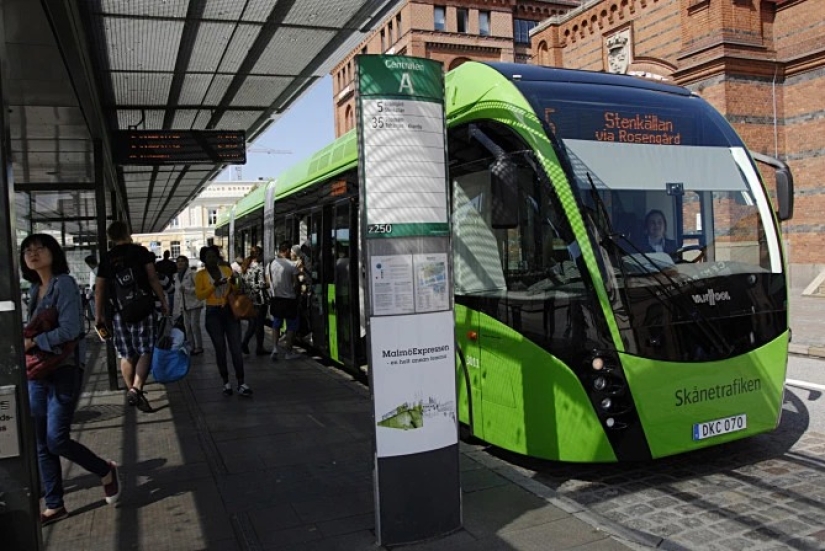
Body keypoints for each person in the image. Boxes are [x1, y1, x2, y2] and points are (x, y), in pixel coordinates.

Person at [20, 234, 120, 525]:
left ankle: (104, 469)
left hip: (64, 367)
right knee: (41, 441)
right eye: (28, 250)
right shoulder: (33, 288)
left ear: (53, 252)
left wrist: (34, 341)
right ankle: (54, 504)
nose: (33, 253)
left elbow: (72, 329)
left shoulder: (63, 283)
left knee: (56, 438)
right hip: (37, 370)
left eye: (40, 248)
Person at [95, 221, 169, 412]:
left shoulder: (107, 258)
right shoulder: (140, 252)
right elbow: (153, 278)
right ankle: (136, 388)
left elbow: (100, 288)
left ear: (110, 237)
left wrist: (98, 316)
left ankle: (132, 391)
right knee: (146, 349)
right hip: (143, 308)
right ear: (127, 233)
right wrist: (163, 301)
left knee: (126, 354)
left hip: (119, 313)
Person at [195, 245, 252, 397]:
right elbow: (200, 296)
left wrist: (233, 281)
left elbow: (235, 288)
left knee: (236, 348)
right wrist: (214, 285)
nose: (212, 259)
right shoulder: (200, 275)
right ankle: (226, 382)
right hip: (213, 313)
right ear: (204, 259)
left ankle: (241, 383)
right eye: (209, 257)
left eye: (214, 256)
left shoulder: (226, 270)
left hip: (229, 311)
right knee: (220, 349)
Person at [266, 242, 300, 361]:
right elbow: (296, 283)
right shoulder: (291, 265)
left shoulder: (270, 264)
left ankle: (275, 348)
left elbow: (268, 282)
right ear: (286, 251)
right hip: (289, 299)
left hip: (276, 299)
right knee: (291, 326)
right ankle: (288, 353)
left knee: (276, 324)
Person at [240, 245, 270, 356]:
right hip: (259, 299)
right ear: (259, 254)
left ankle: (246, 343)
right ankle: (258, 347)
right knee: (259, 324)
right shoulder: (259, 267)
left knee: (252, 323)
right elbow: (261, 284)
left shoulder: (245, 266)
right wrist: (268, 284)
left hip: (249, 299)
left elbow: (243, 285)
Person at [172, 256, 204, 354]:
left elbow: (199, 288)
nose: (180, 263)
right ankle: (191, 346)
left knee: (194, 325)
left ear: (186, 263)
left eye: (182, 261)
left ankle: (199, 346)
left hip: (194, 303)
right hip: (184, 305)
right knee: (187, 327)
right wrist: (176, 309)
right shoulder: (177, 276)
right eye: (178, 261)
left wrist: (187, 290)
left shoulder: (192, 274)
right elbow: (177, 294)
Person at [83, 255, 98, 323]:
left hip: (94, 296)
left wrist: (88, 295)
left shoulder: (94, 271)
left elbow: (93, 286)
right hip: (97, 294)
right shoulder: (100, 269)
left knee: (96, 315)